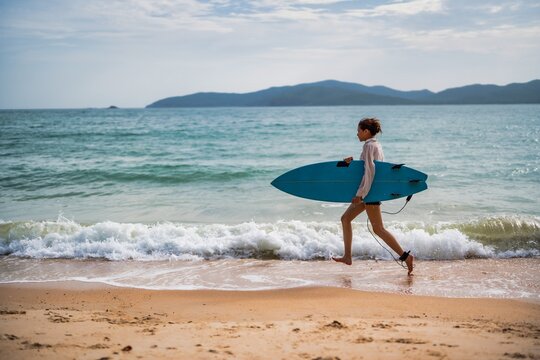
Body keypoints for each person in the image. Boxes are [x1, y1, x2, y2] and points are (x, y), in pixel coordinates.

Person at [332, 118, 414, 275]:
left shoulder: (369, 146)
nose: (357, 133)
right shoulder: (374, 145)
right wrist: (351, 164)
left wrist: (360, 194)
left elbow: (370, 171)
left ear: (366, 131)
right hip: (369, 192)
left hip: (369, 193)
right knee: (345, 219)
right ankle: (347, 256)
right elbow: (365, 169)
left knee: (378, 229)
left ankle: (406, 257)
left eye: (359, 130)